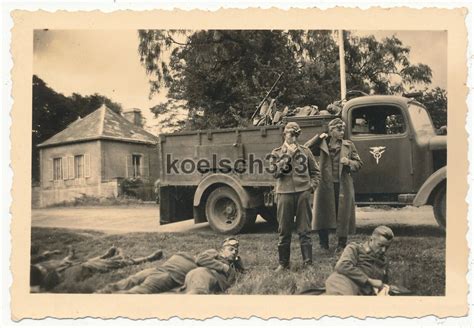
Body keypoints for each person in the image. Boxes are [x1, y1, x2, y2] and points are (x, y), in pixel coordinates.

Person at [99, 237, 244, 294]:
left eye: (236, 251)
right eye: (230, 249)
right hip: (164, 268)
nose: (233, 252)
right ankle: (100, 294)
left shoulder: (225, 264)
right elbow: (201, 258)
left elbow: (240, 271)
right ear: (221, 249)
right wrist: (223, 266)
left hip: (172, 274)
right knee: (130, 280)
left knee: (140, 290)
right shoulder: (212, 253)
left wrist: (235, 261)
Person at [305, 118, 363, 252]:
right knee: (322, 213)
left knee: (343, 214)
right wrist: (318, 138)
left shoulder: (349, 145)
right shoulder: (322, 144)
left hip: (343, 184)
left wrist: (348, 162)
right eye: (339, 129)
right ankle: (323, 243)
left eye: (343, 129)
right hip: (324, 184)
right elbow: (305, 149)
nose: (342, 132)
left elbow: (359, 163)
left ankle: (341, 244)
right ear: (331, 131)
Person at [271, 122, 320, 271]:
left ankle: (308, 262)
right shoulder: (277, 152)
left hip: (302, 193)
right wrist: (289, 155)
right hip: (284, 193)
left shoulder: (305, 151)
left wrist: (311, 187)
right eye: (289, 133)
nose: (292, 136)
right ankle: (283, 263)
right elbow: (275, 173)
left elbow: (315, 172)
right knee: (284, 229)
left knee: (304, 229)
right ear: (284, 134)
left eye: (295, 134)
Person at [30, 246, 163, 292]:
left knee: (86, 262)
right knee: (115, 263)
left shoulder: (44, 272)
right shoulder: (45, 284)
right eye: (41, 269)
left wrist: (68, 258)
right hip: (80, 270)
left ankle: (107, 256)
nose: (42, 268)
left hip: (73, 267)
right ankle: (149, 258)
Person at [325, 225, 394, 295]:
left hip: (364, 293)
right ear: (371, 240)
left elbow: (382, 283)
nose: (383, 250)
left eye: (387, 247)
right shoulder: (355, 249)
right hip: (345, 283)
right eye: (380, 245)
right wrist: (369, 281)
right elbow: (342, 266)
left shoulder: (384, 261)